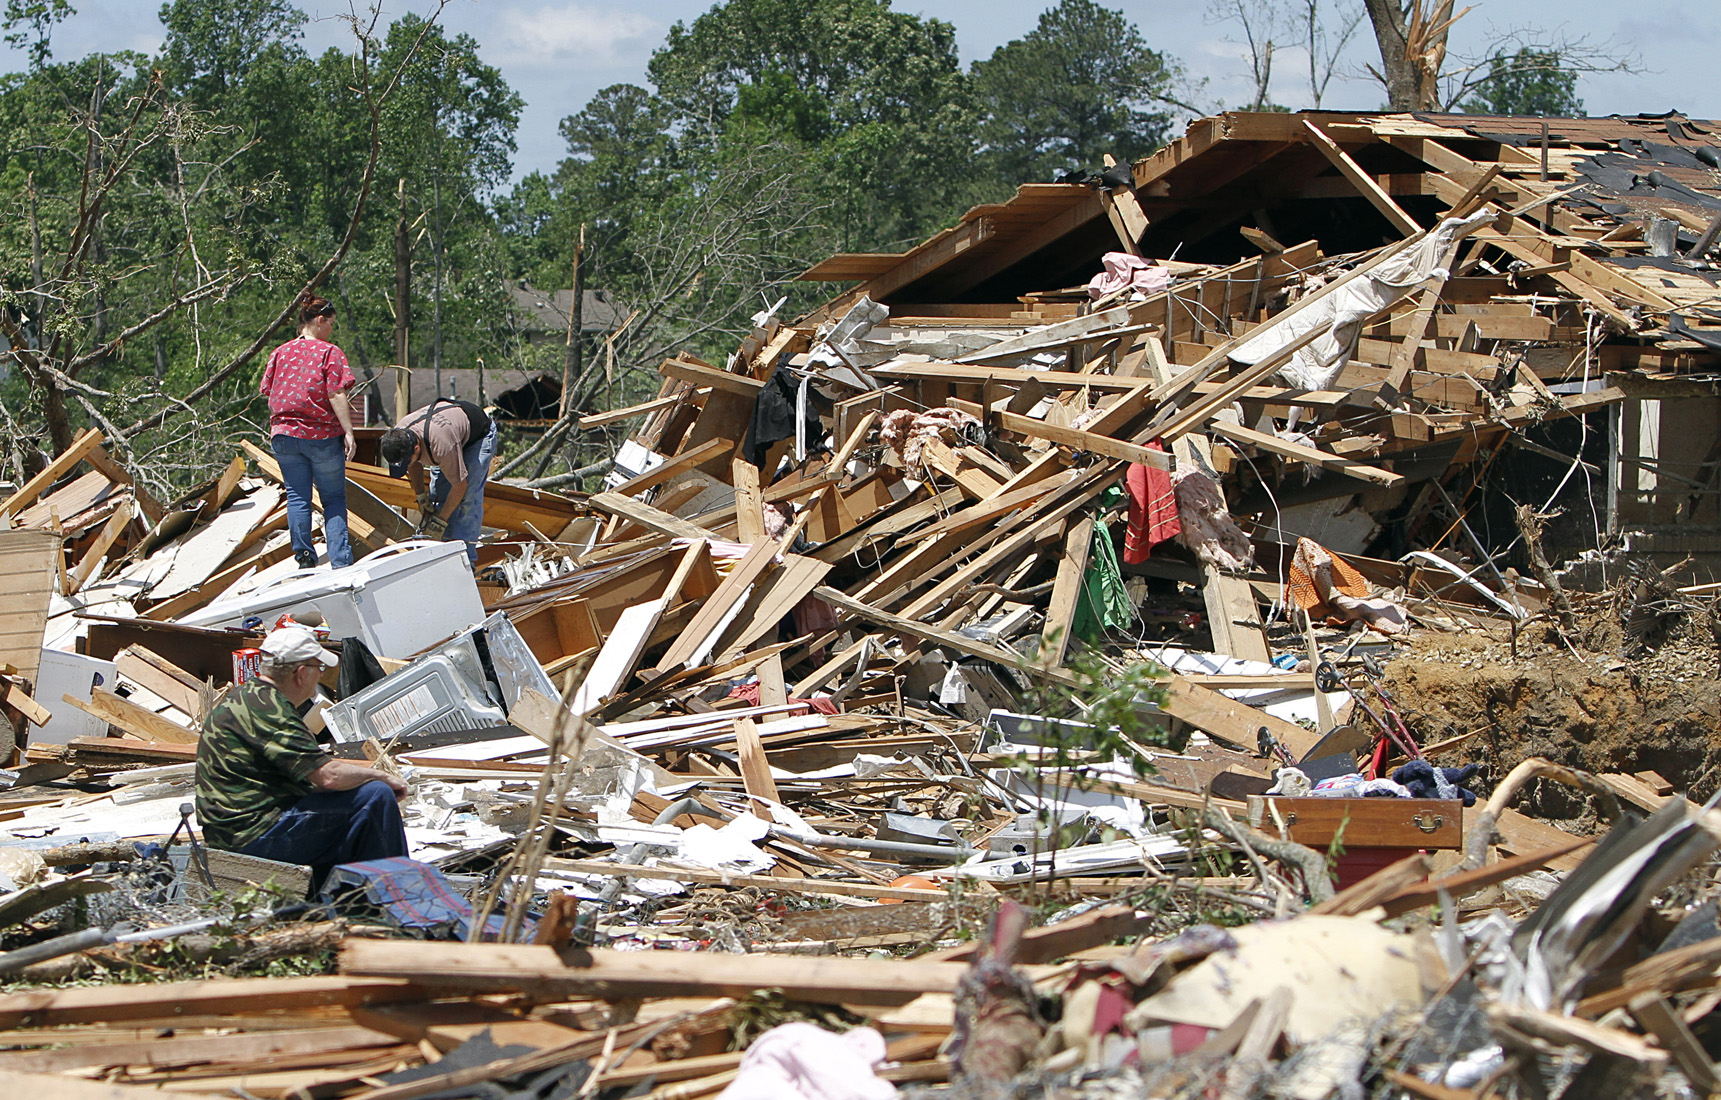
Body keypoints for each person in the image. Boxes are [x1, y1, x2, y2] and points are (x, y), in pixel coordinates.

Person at [195, 625, 407, 886]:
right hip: (252, 834)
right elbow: (328, 777)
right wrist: (382, 776)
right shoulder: (270, 709)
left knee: (344, 804)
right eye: (318, 670)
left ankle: (340, 898)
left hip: (232, 830)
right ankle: (396, 896)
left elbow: (306, 774)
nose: (319, 678)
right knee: (375, 797)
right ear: (300, 673)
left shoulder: (245, 697)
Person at [260, 294, 358, 570]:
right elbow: (336, 393)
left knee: (297, 495)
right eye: (330, 324)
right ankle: (340, 561)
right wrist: (348, 432)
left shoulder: (279, 353)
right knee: (334, 498)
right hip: (321, 436)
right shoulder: (330, 352)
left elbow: (268, 391)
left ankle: (304, 557)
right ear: (319, 320)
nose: (331, 331)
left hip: (284, 435)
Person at [377, 397, 498, 567]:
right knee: (438, 494)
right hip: (449, 435)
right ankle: (441, 553)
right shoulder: (401, 434)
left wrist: (440, 521)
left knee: (467, 499)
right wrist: (420, 495)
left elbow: (459, 486)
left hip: (477, 437)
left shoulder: (441, 445)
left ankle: (465, 560)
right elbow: (413, 464)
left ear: (417, 448)